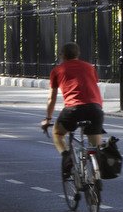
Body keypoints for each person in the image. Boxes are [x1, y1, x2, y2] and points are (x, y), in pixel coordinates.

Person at [41, 43, 106, 179]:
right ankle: (96, 176)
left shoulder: (57, 70)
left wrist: (48, 119)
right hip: (95, 109)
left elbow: (51, 98)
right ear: (78, 54)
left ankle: (67, 157)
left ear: (62, 55)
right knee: (95, 146)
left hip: (73, 109)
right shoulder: (90, 67)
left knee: (57, 134)